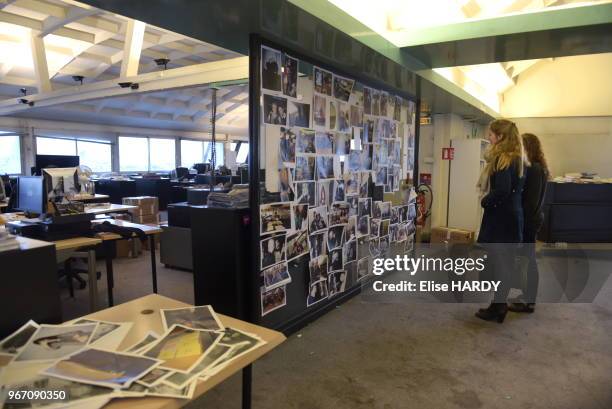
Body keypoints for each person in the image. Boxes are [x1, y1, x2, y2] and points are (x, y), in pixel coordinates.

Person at [475, 119, 525, 323]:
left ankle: (498, 307)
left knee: (499, 264)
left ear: (501, 137)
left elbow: (502, 190)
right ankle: (498, 305)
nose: (489, 137)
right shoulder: (518, 159)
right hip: (512, 216)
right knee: (504, 264)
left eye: (492, 134)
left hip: (501, 219)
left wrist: (485, 200)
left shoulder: (502, 159)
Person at [509, 133, 549, 313]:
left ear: (527, 147)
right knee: (527, 258)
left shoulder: (533, 169)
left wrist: (519, 222)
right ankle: (527, 296)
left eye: (520, 146)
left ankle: (528, 300)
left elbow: (530, 201)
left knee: (528, 260)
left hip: (528, 221)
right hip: (533, 219)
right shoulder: (538, 167)